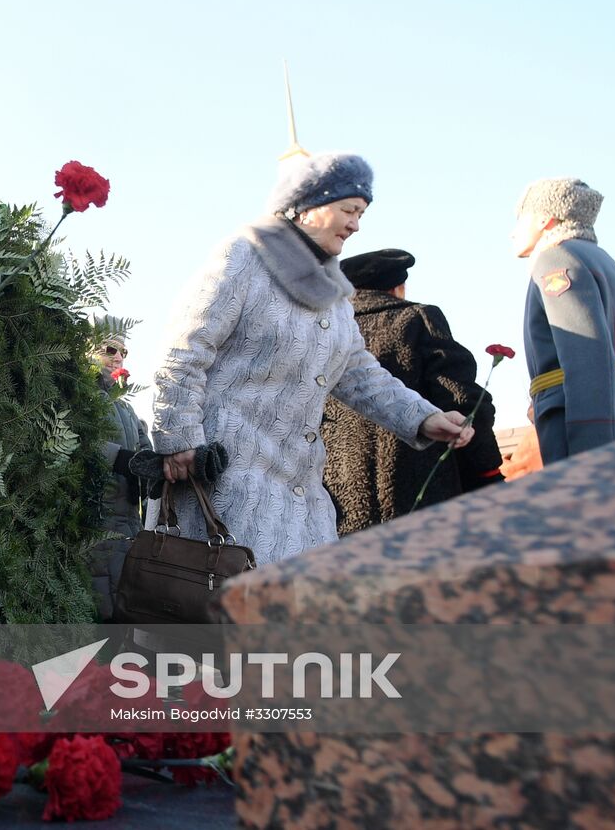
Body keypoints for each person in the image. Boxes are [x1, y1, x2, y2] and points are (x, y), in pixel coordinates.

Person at [149, 152, 474, 567]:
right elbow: (182, 352)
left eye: (361, 213)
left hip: (300, 490)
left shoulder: (335, 296)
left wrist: (423, 417)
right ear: (306, 207)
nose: (356, 224)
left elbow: (358, 372)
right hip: (225, 478)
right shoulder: (243, 258)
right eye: (349, 210)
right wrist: (179, 444)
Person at [322, 249, 504, 535]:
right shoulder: (417, 318)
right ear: (398, 287)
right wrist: (487, 474)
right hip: (420, 499)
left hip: (336, 505)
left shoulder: (327, 330)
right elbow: (461, 400)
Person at [513, 178, 615, 464]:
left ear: (545, 218)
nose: (513, 232)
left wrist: (593, 453)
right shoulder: (606, 261)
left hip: (583, 430)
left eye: (520, 218)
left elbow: (586, 357)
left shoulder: (556, 259)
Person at [88, 319, 153, 621]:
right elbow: (82, 444)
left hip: (129, 531)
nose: (118, 357)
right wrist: (125, 460)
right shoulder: (80, 395)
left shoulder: (128, 411)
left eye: (123, 351)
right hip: (92, 529)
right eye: (110, 349)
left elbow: (148, 458)